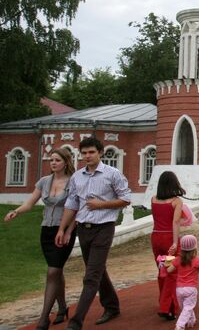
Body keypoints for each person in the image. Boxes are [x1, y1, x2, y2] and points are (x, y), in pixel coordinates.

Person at [55, 137, 131, 329]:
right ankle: (112, 306)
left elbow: (126, 199)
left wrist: (101, 204)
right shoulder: (77, 177)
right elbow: (72, 204)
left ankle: (76, 322)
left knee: (90, 277)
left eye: (91, 152)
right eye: (84, 153)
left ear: (100, 153)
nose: (87, 156)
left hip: (104, 228)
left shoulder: (112, 174)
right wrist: (62, 229)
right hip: (83, 229)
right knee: (97, 271)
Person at [4, 148, 77, 330]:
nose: (53, 163)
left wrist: (69, 231)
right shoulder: (44, 181)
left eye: (57, 160)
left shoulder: (74, 182)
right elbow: (30, 203)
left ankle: (43, 319)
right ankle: (61, 308)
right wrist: (16, 212)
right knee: (56, 271)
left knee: (52, 272)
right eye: (51, 160)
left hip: (64, 231)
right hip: (46, 231)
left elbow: (78, 208)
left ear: (65, 162)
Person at [151, 171, 185, 320]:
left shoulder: (153, 199)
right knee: (171, 272)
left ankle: (164, 302)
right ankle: (167, 307)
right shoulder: (176, 201)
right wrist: (175, 242)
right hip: (168, 239)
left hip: (156, 238)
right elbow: (175, 222)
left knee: (161, 270)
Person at [167, 235, 199, 330]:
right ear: (195, 248)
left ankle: (191, 321)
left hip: (179, 289)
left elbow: (169, 270)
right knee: (188, 307)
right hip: (191, 289)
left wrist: (169, 256)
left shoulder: (177, 260)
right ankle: (180, 325)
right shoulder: (197, 260)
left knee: (186, 307)